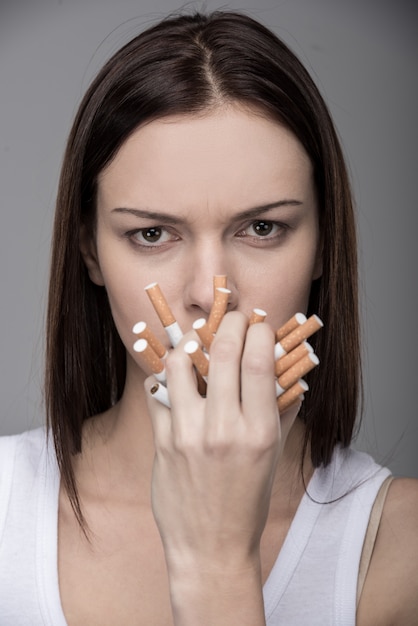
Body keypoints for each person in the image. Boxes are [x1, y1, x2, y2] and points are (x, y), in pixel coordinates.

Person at [0, 9, 417, 625]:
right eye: (150, 233)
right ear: (89, 250)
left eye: (262, 227)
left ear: (325, 243)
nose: (208, 293)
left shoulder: (402, 550)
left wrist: (216, 565)